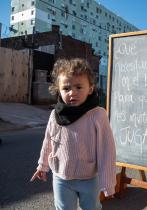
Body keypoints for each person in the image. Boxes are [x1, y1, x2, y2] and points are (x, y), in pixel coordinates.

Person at [30, 58, 116, 210]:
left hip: (89, 178)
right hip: (61, 177)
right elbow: (49, 141)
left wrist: (107, 182)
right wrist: (42, 165)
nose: (72, 93)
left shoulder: (97, 114)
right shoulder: (55, 114)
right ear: (58, 89)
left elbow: (106, 150)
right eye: (66, 88)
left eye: (78, 87)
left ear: (90, 88)